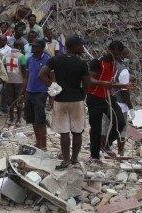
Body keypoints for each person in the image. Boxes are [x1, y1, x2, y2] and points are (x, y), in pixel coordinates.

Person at [39, 36, 90, 169]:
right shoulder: (81, 63)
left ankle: (66, 160)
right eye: (80, 45)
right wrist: (82, 94)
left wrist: (52, 86)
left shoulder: (55, 59)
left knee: (64, 132)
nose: (82, 48)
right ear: (73, 46)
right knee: (77, 132)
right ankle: (74, 159)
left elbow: (41, 74)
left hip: (60, 100)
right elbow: (86, 84)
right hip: (76, 100)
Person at [86, 41, 126, 161]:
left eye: (118, 55)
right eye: (114, 54)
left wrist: (125, 85)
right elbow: (89, 79)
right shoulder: (97, 62)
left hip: (108, 98)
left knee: (120, 122)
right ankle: (94, 155)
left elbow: (111, 83)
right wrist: (104, 83)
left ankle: (106, 144)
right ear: (108, 50)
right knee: (96, 128)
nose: (116, 57)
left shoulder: (114, 64)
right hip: (94, 99)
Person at [20, 39, 51, 150]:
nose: (32, 48)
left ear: (42, 48)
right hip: (29, 92)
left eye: (35, 46)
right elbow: (27, 77)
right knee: (33, 119)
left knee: (40, 120)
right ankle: (38, 142)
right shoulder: (30, 59)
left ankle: (44, 145)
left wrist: (50, 92)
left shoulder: (48, 60)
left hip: (41, 93)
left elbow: (51, 77)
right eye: (32, 45)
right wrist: (23, 91)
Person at [110, 48, 133, 156]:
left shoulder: (111, 65)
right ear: (121, 54)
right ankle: (120, 152)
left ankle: (104, 148)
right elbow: (125, 92)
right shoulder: (123, 70)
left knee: (106, 127)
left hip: (108, 100)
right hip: (120, 104)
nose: (128, 55)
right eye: (127, 53)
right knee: (122, 129)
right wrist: (131, 107)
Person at [3, 41, 27, 126]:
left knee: (10, 100)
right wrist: (25, 81)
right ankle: (19, 119)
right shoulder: (22, 57)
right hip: (19, 81)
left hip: (8, 81)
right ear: (20, 47)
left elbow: (4, 69)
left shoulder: (5, 56)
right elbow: (24, 71)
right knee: (19, 100)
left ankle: (11, 118)